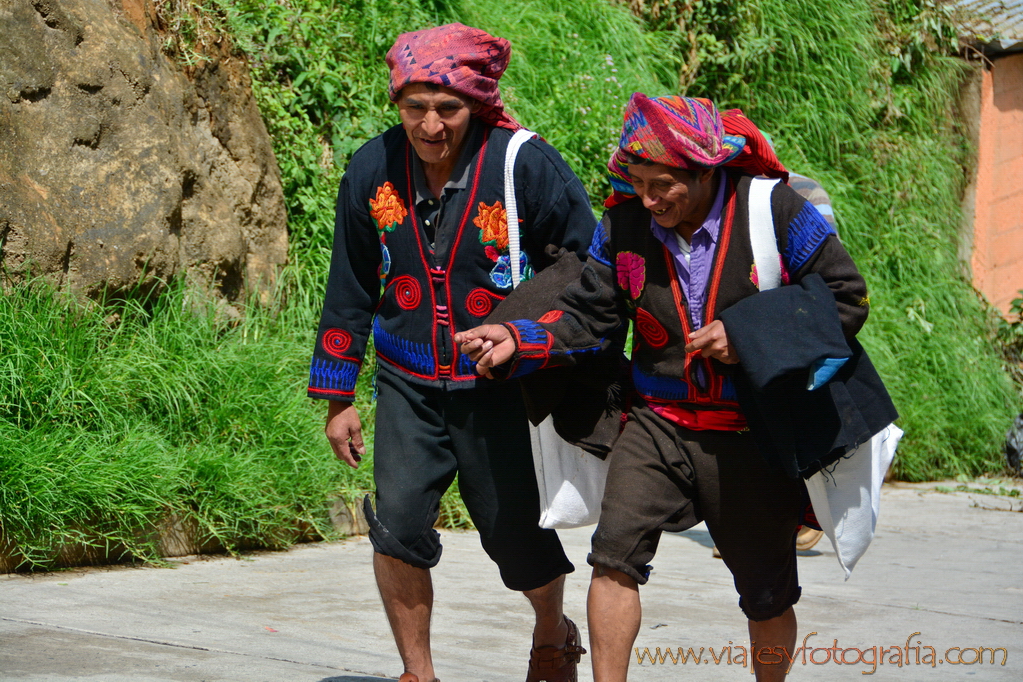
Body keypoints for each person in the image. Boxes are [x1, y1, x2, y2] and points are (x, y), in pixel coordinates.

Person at [456, 93, 872, 682]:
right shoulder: (626, 223)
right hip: (659, 424)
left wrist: (749, 335)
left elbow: (846, 296)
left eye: (664, 185)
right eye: (639, 182)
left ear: (706, 170)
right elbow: (591, 316)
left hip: (749, 431)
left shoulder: (773, 208)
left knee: (767, 592)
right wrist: (519, 340)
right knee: (612, 559)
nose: (648, 200)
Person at [306, 23, 597, 682]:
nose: (430, 124)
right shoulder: (369, 168)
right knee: (398, 524)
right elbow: (349, 287)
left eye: (448, 109)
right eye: (414, 107)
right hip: (407, 383)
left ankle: (552, 635)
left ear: (478, 104)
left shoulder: (525, 164)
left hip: (499, 386)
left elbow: (588, 266)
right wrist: (336, 396)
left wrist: (529, 337)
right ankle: (418, 672)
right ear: (396, 104)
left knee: (513, 534)